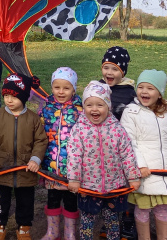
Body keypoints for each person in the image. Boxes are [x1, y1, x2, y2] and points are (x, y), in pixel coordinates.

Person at [120, 70, 167, 240]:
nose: (144, 92)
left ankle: (163, 237)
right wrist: (139, 166)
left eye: (150, 88)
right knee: (142, 208)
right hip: (145, 173)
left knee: (162, 209)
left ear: (159, 92)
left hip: (165, 172)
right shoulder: (131, 112)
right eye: (140, 87)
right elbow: (129, 141)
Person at [67, 81, 141, 240]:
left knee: (112, 220)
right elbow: (74, 156)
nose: (94, 109)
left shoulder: (117, 129)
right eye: (89, 105)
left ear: (108, 106)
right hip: (88, 186)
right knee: (87, 220)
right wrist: (74, 178)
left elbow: (127, 153)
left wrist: (133, 176)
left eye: (100, 105)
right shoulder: (79, 129)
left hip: (114, 185)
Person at [0, 73, 48, 240]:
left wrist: (35, 159)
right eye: (6, 95)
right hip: (1, 170)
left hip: (26, 172)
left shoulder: (33, 119)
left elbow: (41, 140)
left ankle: (24, 228)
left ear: (23, 97)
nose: (9, 100)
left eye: (14, 96)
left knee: (26, 203)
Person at [39, 67, 83, 240]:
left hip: (71, 166)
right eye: (57, 87)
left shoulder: (79, 109)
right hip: (51, 164)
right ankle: (52, 231)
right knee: (53, 198)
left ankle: (70, 232)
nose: (61, 91)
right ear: (52, 87)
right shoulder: (46, 107)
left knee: (71, 200)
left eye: (66, 88)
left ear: (74, 88)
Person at [100, 45, 137, 238]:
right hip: (100, 147)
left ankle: (128, 220)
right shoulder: (97, 88)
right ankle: (109, 219)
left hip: (124, 148)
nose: (109, 72)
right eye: (106, 67)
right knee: (108, 183)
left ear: (123, 71)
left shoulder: (131, 93)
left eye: (115, 69)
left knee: (126, 185)